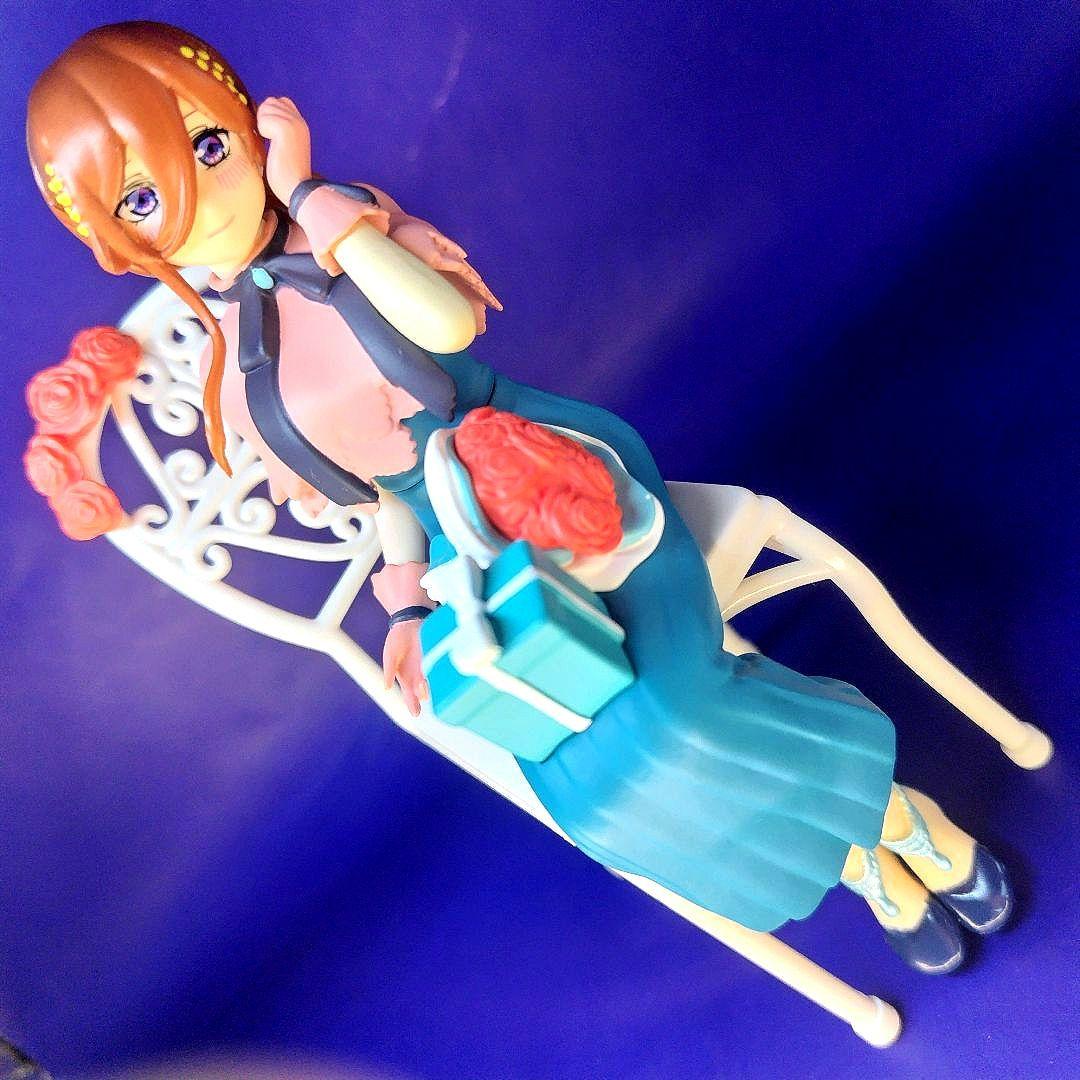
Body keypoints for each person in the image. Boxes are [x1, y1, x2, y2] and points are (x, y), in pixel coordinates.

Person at [27, 21, 1013, 972]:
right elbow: (388, 494)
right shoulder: (245, 379)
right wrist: (404, 608)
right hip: (472, 561)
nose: (206, 196)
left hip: (548, 478)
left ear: (251, 124)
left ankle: (902, 824)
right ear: (118, 241)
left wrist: (310, 196)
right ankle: (856, 858)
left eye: (209, 144)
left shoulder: (342, 231)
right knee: (594, 791)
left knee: (674, 706)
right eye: (144, 200)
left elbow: (446, 327)